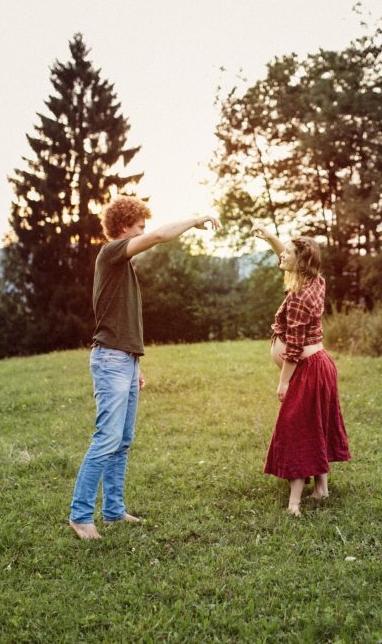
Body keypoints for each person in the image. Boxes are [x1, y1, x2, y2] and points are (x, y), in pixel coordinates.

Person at [69, 197, 219, 540]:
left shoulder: (124, 266)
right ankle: (80, 515)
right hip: (109, 360)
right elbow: (158, 238)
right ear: (124, 227)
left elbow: (124, 319)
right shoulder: (111, 253)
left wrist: (135, 362)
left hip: (124, 359)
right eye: (140, 226)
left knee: (122, 441)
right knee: (106, 439)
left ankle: (114, 511)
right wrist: (195, 218)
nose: (145, 232)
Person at [252, 224, 350, 516]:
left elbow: (293, 349)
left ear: (301, 262)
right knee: (315, 424)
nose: (283, 256)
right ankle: (322, 488)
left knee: (296, 429)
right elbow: (285, 254)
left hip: (307, 368)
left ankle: (295, 503)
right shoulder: (315, 281)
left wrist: (284, 382)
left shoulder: (298, 299)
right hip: (321, 365)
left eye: (289, 254)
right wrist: (270, 237)